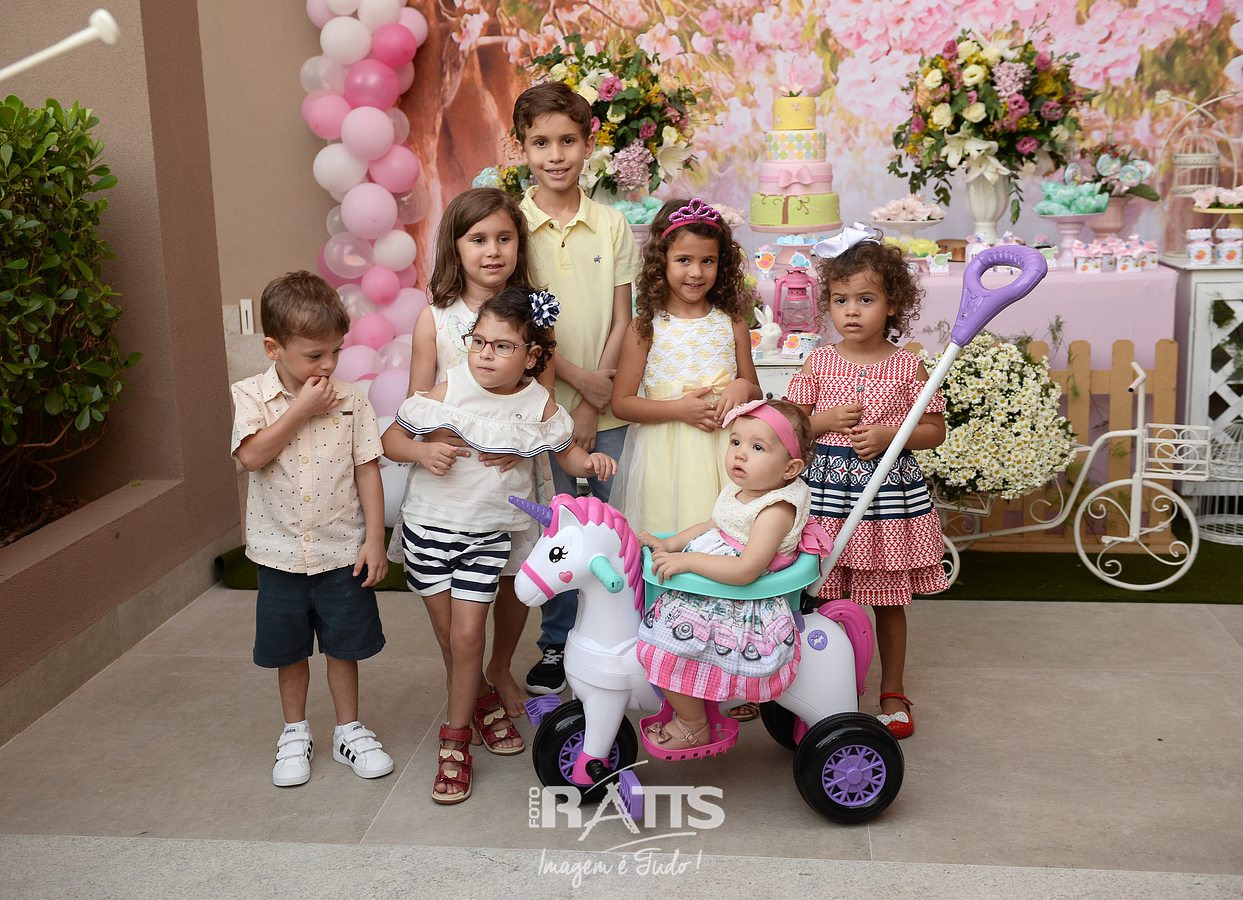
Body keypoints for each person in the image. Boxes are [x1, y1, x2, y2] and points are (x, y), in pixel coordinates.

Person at [381, 286, 617, 804]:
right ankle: (483, 700)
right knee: (451, 640)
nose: (485, 354)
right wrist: (421, 453)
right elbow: (391, 441)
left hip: (488, 535)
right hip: (428, 528)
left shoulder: (538, 404)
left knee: (468, 638)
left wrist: (590, 463)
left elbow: (567, 454)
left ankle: (453, 740)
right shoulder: (450, 387)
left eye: (502, 346)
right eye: (479, 341)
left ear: (531, 356)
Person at [230, 270, 394, 788]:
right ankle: (295, 731)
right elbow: (251, 457)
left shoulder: (352, 399)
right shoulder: (251, 396)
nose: (327, 365)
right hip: (279, 555)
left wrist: (375, 538)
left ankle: (349, 730)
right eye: (313, 355)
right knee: (289, 650)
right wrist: (300, 410)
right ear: (273, 349)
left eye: (335, 352)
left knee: (345, 646)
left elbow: (367, 468)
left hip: (341, 551)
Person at [785, 225, 948, 740]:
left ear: (893, 304)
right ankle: (824, 688)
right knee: (820, 594)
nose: (851, 311)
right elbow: (790, 428)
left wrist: (891, 436)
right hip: (829, 499)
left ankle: (893, 691)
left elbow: (935, 430)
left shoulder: (907, 366)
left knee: (888, 599)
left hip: (886, 502)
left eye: (866, 299)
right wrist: (824, 421)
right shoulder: (819, 361)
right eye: (840, 300)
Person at [513, 81, 639, 696]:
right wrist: (576, 386)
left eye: (567, 141)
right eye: (541, 143)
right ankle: (557, 641)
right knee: (560, 532)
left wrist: (594, 398)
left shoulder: (611, 224)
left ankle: (622, 636)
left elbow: (622, 319)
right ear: (522, 148)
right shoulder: (515, 227)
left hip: (606, 411)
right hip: (544, 410)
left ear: (589, 145)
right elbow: (524, 325)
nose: (555, 155)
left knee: (614, 526)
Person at [402, 186, 543, 724]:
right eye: (478, 239)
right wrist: (427, 445)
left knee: (512, 577)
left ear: (519, 245)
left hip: (509, 475)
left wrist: (520, 443)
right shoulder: (435, 319)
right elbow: (416, 403)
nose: (492, 250)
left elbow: (542, 397)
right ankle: (469, 687)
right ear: (455, 247)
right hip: (451, 486)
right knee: (457, 620)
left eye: (504, 238)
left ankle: (498, 668)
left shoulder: (534, 314)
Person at [635, 401, 819, 750]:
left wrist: (689, 562)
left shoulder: (776, 509)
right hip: (715, 585)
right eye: (735, 442)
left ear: (790, 468)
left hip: (741, 602)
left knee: (669, 645)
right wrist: (671, 543)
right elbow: (714, 525)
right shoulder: (742, 490)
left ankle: (693, 724)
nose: (740, 454)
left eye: (757, 447)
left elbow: (747, 570)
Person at [611, 197, 761, 537]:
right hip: (665, 456)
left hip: (723, 450)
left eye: (708, 261)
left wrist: (742, 386)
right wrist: (678, 409)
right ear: (660, 262)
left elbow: (754, 390)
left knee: (723, 537)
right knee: (666, 536)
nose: (696, 272)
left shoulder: (732, 322)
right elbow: (621, 403)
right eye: (683, 260)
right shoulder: (644, 328)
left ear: (721, 264)